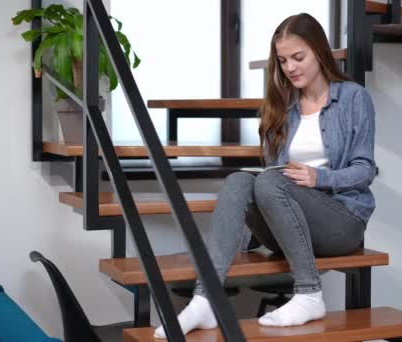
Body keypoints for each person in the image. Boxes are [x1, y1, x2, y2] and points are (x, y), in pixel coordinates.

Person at [154, 12, 376, 338]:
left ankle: (309, 293)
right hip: (289, 223)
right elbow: (270, 178)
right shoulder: (282, 106)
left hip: (341, 221)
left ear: (319, 51)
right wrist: (241, 236)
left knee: (270, 180)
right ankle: (207, 299)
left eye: (298, 57)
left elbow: (365, 169)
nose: (290, 67)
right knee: (239, 179)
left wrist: (319, 178)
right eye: (283, 60)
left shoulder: (353, 97)